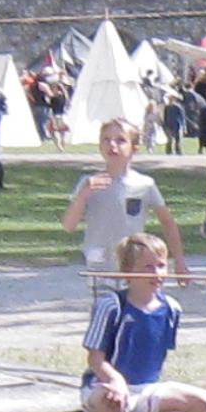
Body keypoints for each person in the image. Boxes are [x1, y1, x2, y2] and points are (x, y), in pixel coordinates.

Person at [80, 233, 206, 412]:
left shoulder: (171, 308)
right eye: (148, 267)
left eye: (161, 265)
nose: (157, 273)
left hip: (146, 388)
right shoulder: (111, 305)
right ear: (128, 273)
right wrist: (116, 381)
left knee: (204, 404)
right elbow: (95, 359)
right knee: (106, 402)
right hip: (107, 385)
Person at [61, 119, 191, 293]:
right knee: (107, 311)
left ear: (134, 148)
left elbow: (167, 222)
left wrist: (179, 261)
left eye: (120, 140)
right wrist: (84, 194)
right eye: (106, 140)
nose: (112, 145)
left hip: (134, 263)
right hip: (100, 263)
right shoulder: (88, 183)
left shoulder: (144, 185)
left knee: (135, 310)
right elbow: (68, 225)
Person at [45, 79, 71, 151]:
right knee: (58, 131)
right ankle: (60, 145)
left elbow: (50, 105)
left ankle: (60, 145)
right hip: (59, 115)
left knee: (57, 131)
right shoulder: (59, 97)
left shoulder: (56, 97)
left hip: (58, 115)